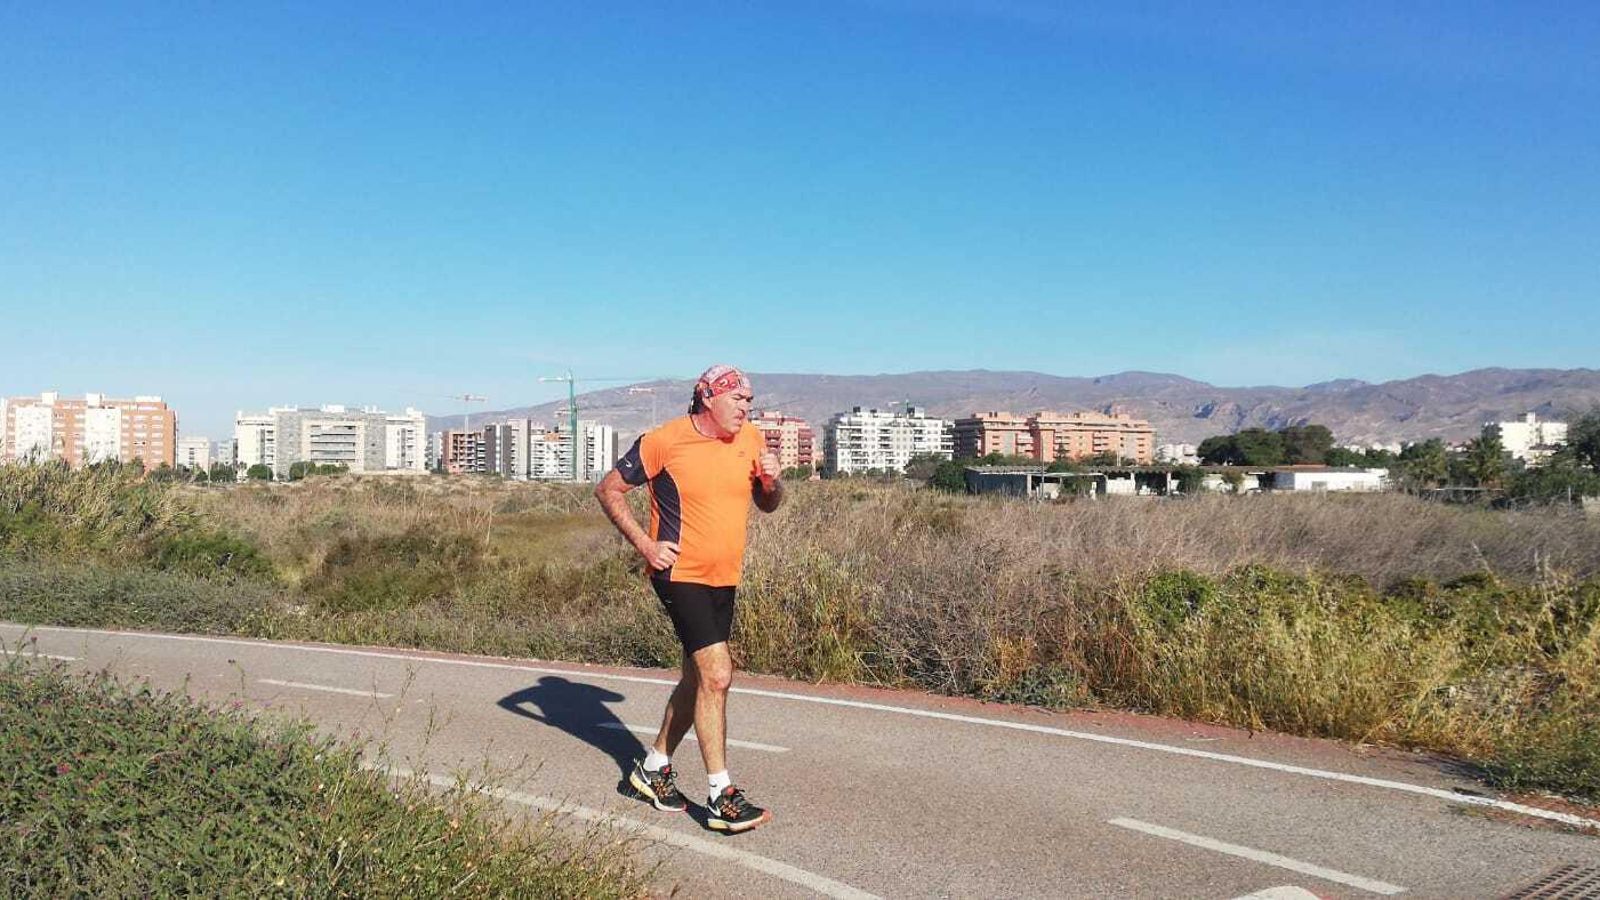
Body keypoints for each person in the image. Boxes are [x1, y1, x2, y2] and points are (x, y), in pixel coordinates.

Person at [594, 364, 783, 833]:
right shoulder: (665, 440)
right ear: (708, 398)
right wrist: (646, 545)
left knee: (697, 679)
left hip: (724, 577)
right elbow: (609, 489)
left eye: (749, 400)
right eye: (737, 399)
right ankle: (721, 796)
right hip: (679, 574)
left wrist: (770, 483)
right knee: (717, 675)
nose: (746, 407)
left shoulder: (751, 439)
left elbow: (768, 504)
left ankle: (652, 768)